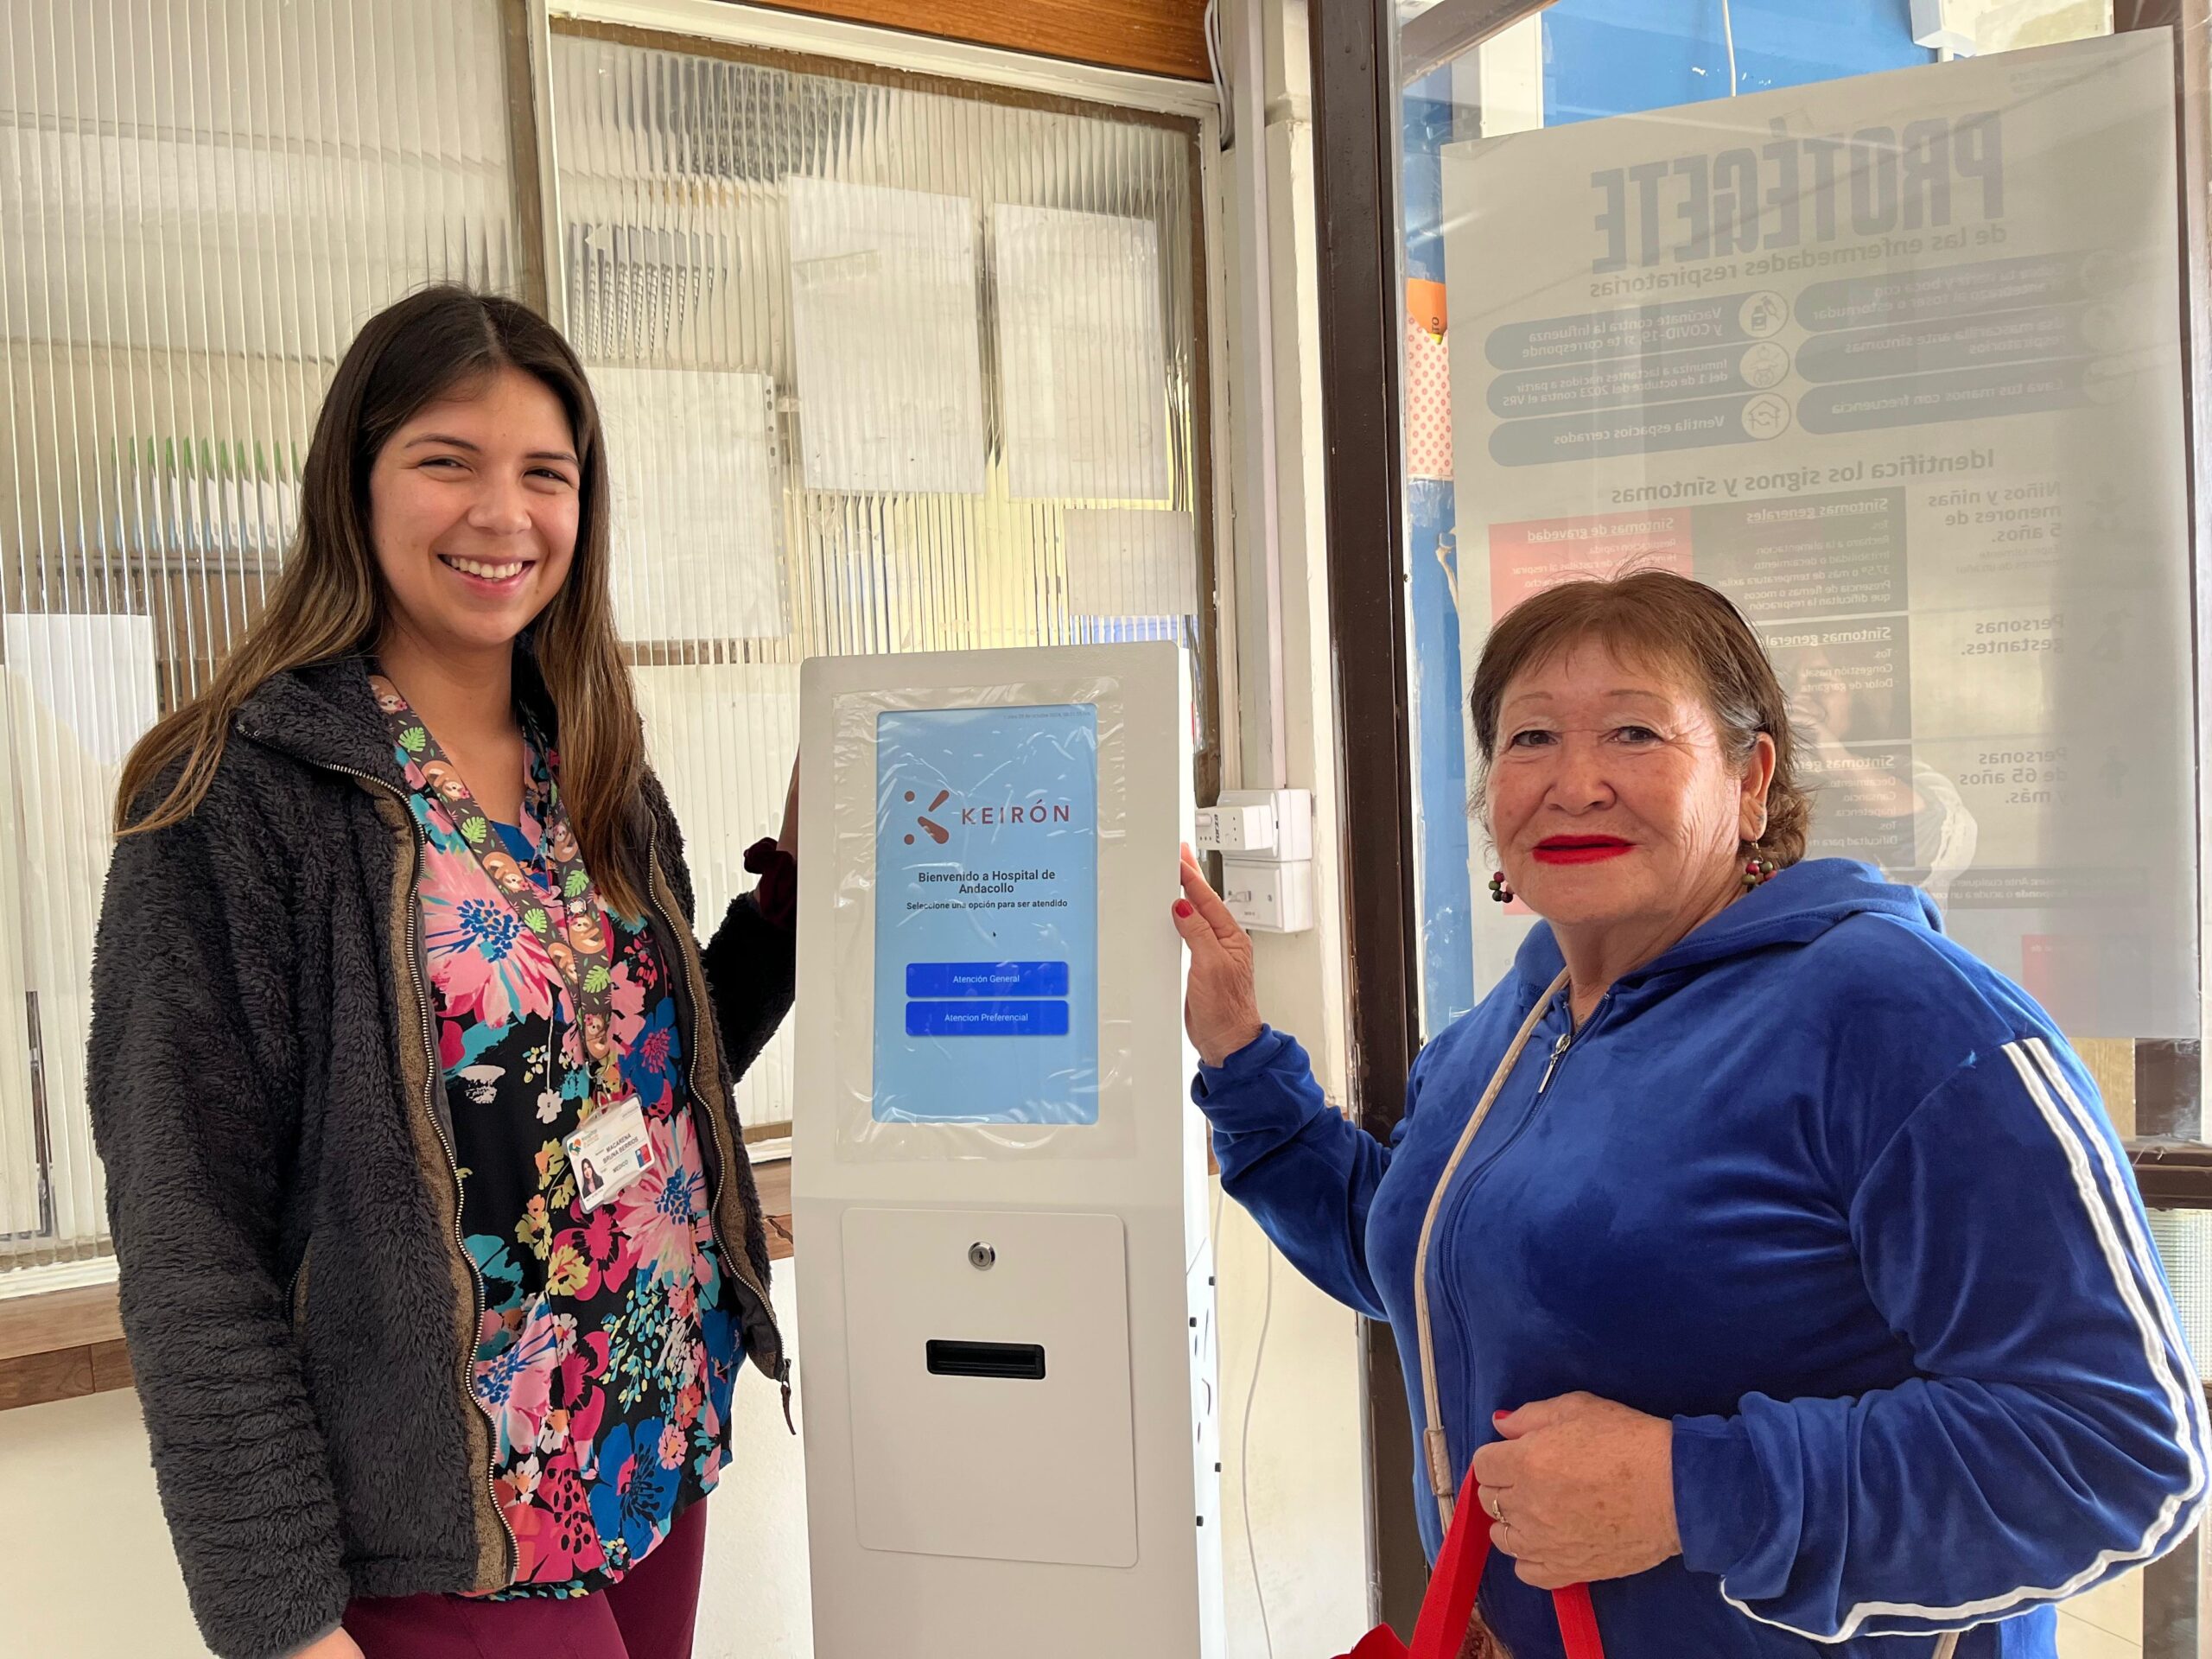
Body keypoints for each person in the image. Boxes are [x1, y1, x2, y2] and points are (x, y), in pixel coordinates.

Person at [1172, 571, 2205, 1657]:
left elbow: (2118, 1456)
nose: (1574, 784)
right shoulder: (1503, 1032)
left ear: (1749, 781)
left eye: (1633, 733)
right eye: (1529, 740)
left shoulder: (1897, 1013)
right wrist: (1241, 1056)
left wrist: (1687, 1491)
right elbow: (1427, 1272)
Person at [89, 287, 799, 1659]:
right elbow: (190, 1244)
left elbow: (641, 1069)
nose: (504, 514)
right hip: (437, 1516)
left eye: (547, 473)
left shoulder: (593, 764)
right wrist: (282, 1625)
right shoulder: (234, 796)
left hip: (643, 1438)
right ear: (353, 484)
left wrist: (786, 914)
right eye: (446, 461)